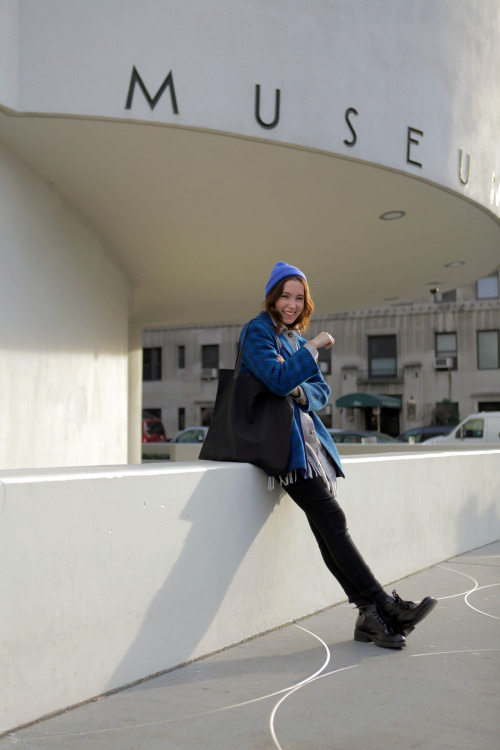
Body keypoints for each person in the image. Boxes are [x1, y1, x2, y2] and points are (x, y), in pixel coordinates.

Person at [239, 261, 437, 649]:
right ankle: (383, 605)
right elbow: (276, 379)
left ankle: (371, 618)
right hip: (280, 448)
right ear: (272, 296)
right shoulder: (257, 331)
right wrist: (311, 351)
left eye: (299, 298)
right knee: (332, 518)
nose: (292, 304)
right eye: (285, 296)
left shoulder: (293, 341)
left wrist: (298, 388)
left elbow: (319, 393)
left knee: (326, 527)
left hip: (306, 444)